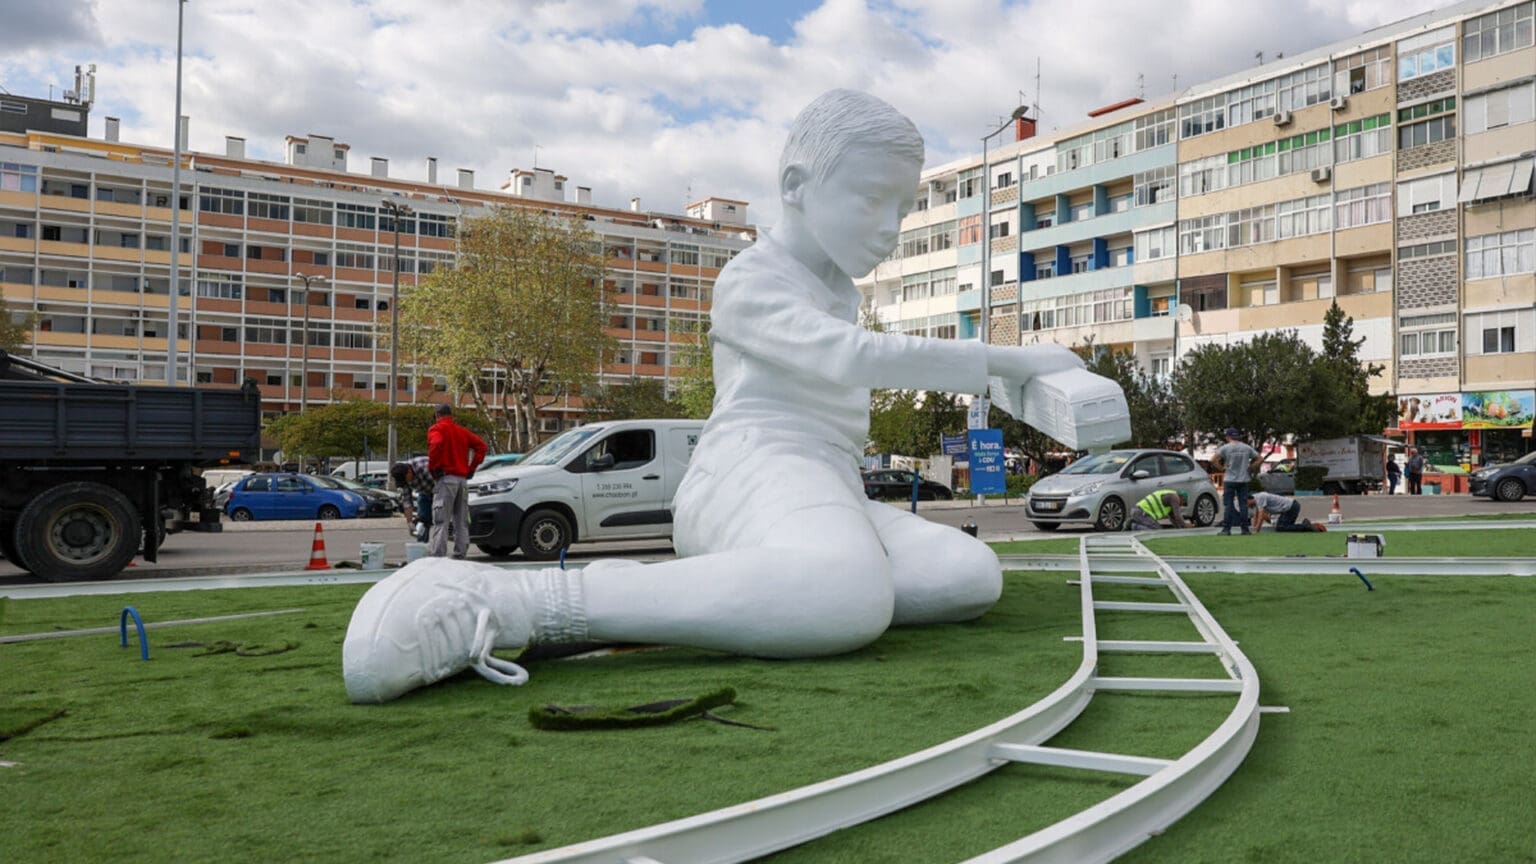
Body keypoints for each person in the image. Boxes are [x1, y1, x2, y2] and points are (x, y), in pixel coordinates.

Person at [341, 89, 1126, 703]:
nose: (889, 228)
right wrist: (1010, 361)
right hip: (749, 470)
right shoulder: (751, 280)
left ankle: (786, 577)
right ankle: (511, 602)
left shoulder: (835, 290)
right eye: (870, 202)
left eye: (902, 207)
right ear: (796, 186)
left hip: (821, 482)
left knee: (965, 578)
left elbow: (853, 349)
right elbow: (849, 358)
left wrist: (1025, 381)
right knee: (846, 598)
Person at [426, 404, 487, 559]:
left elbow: (436, 443)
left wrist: (433, 467)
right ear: (451, 415)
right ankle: (460, 553)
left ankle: (437, 555)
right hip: (462, 480)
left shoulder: (436, 429)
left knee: (441, 520)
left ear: (437, 415)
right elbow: (481, 446)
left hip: (446, 479)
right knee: (461, 520)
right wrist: (471, 468)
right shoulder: (462, 431)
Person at [1212, 428, 1261, 536]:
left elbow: (1213, 460)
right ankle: (1245, 529)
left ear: (1228, 437)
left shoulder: (1225, 448)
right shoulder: (1246, 447)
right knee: (1243, 505)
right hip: (1243, 479)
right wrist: (1251, 468)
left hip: (1229, 479)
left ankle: (1226, 529)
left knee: (1228, 504)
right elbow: (1259, 459)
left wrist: (1222, 468)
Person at [389, 455, 434, 539]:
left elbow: (441, 483)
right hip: (424, 492)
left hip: (440, 490)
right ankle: (421, 547)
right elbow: (407, 502)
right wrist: (410, 523)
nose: (406, 482)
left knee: (440, 519)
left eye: (405, 479)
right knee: (422, 520)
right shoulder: (403, 477)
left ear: (409, 471)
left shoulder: (425, 468)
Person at [1248, 491, 1327, 533]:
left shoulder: (1260, 497)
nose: (1247, 506)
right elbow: (1257, 515)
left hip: (1291, 507)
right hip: (1288, 508)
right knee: (1286, 526)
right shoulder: (1257, 500)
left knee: (1281, 528)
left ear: (1249, 500)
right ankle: (1306, 526)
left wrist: (1257, 531)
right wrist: (1254, 528)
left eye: (1246, 504)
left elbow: (1261, 516)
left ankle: (1306, 526)